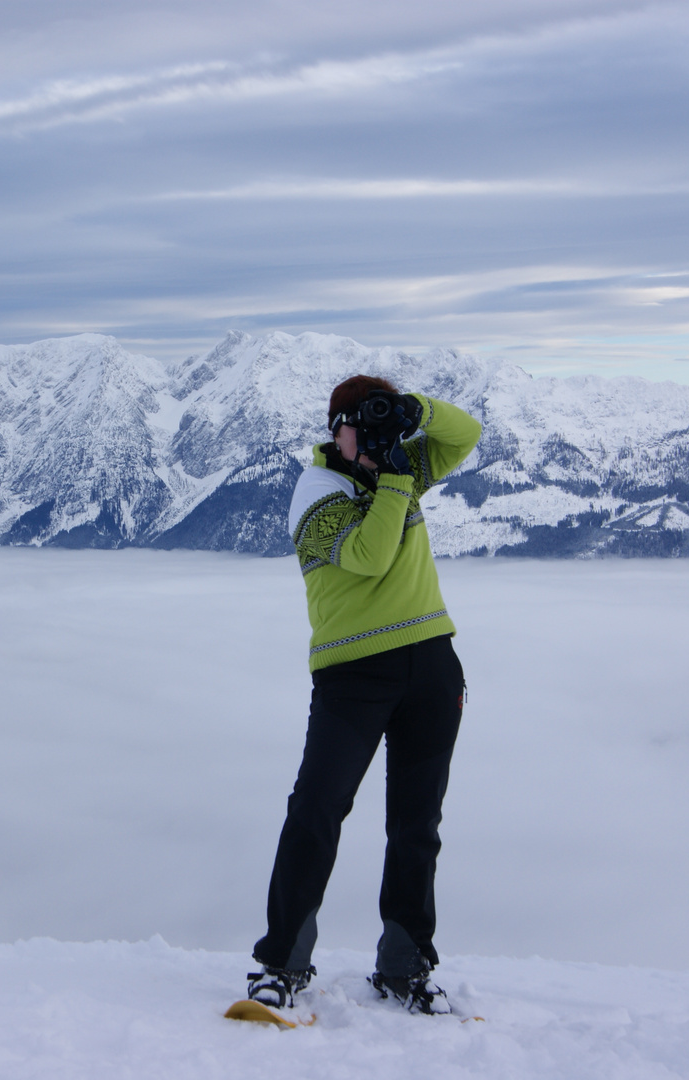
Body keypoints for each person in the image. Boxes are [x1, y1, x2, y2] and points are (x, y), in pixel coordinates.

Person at [247, 374, 482, 1015]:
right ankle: (280, 965)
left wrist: (417, 412)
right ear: (335, 431)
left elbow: (467, 434)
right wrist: (399, 476)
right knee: (316, 810)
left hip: (432, 662)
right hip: (353, 675)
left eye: (377, 423)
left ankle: (405, 966)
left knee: (417, 826)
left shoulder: (395, 466)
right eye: (359, 424)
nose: (370, 436)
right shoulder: (317, 490)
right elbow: (372, 555)